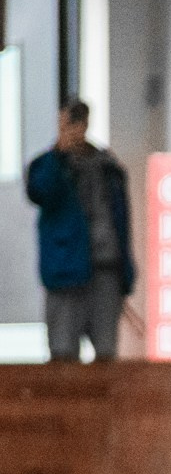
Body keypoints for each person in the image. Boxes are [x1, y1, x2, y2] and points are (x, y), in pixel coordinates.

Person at [25, 98, 136, 362]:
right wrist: (59, 152)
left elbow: (121, 223)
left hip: (106, 269)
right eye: (69, 121)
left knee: (106, 354)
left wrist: (126, 275)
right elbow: (40, 192)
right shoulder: (48, 165)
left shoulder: (108, 167)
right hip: (66, 272)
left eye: (79, 120)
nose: (76, 127)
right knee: (63, 354)